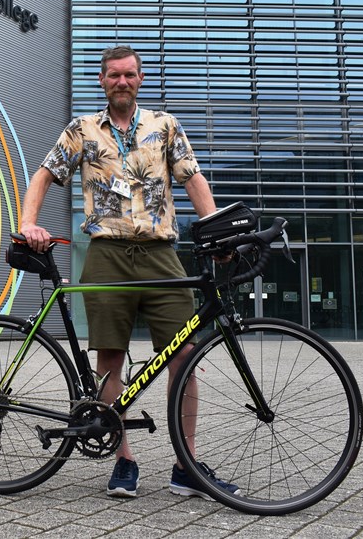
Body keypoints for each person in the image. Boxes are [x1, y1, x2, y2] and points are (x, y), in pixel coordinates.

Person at [19, 44, 239, 500]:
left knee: (184, 358)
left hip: (161, 254)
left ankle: (187, 465)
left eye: (130, 75)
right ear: (103, 80)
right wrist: (27, 223)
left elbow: (193, 178)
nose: (122, 82)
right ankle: (123, 459)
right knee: (110, 360)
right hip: (107, 254)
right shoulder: (81, 130)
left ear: (140, 79)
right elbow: (43, 175)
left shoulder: (165, 125)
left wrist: (216, 232)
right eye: (114, 75)